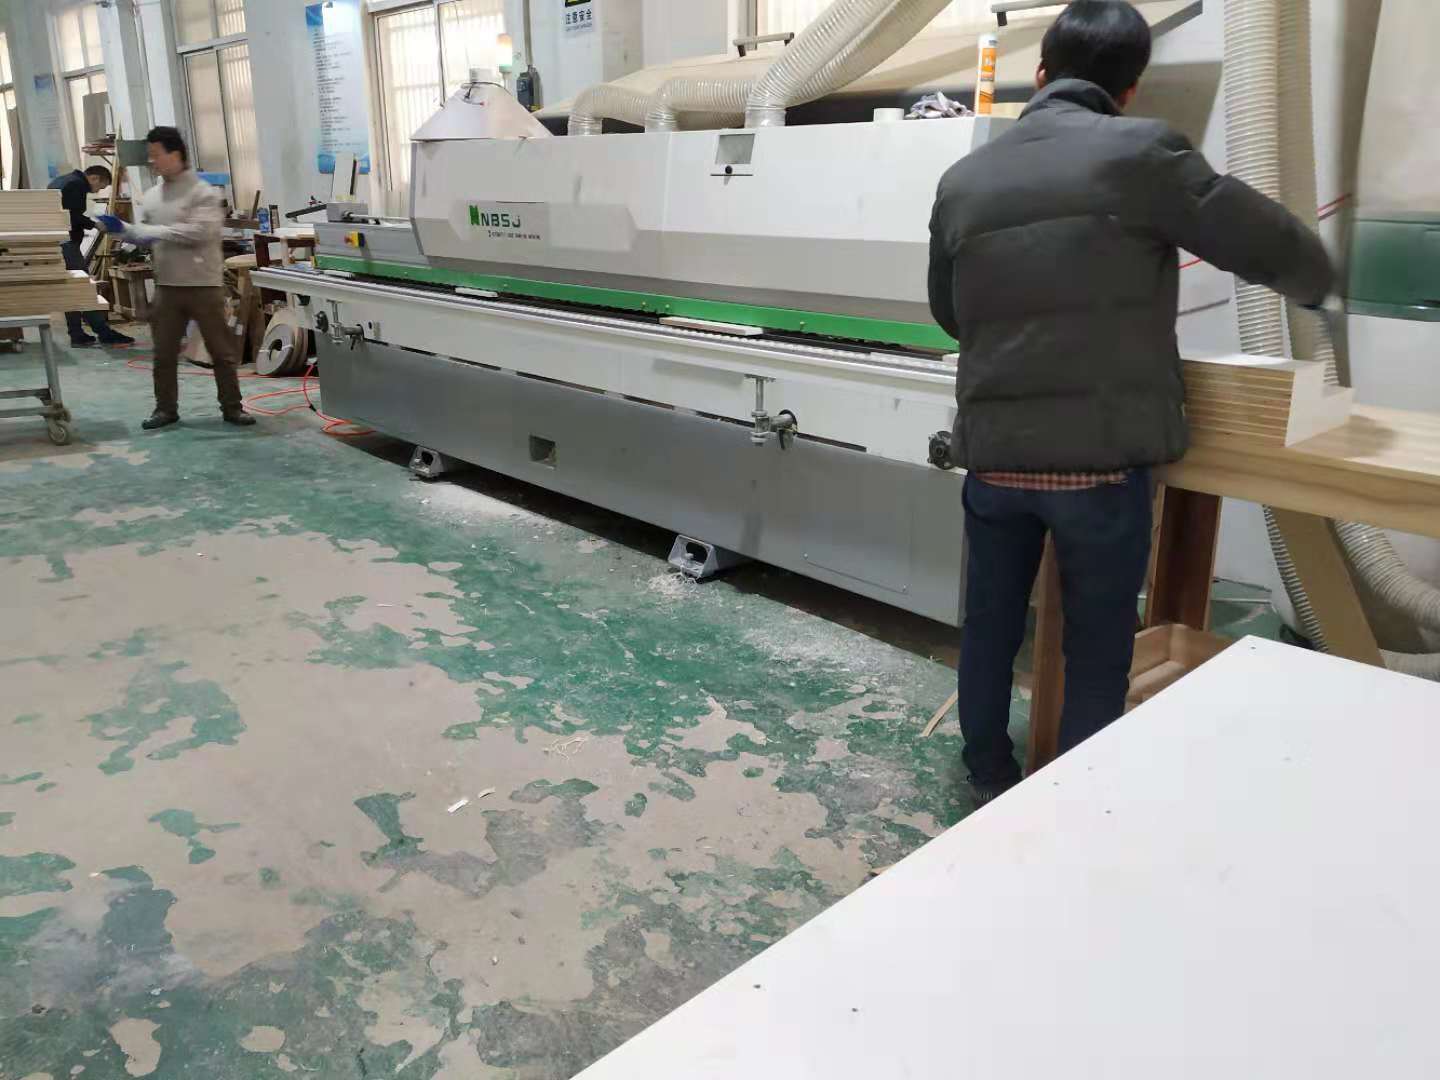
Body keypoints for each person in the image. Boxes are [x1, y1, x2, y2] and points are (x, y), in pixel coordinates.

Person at [927, 0, 1333, 802]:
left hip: (996, 458)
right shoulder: (1145, 153)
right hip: (1100, 466)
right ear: (1131, 88)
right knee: (1098, 643)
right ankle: (1075, 797)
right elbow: (1264, 241)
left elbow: (949, 311)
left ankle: (987, 771)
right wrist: (1322, 281)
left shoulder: (963, 179)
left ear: (1041, 73)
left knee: (991, 623)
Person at [96, 126, 254, 429]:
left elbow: (199, 232)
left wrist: (152, 231)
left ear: (176, 154)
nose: (152, 161)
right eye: (150, 155)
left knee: (221, 352)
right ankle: (165, 409)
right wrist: (121, 230)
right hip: (167, 287)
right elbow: (143, 235)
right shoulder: (153, 197)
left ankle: (232, 408)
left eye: (156, 155)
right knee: (163, 353)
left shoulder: (203, 193)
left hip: (204, 286)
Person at [46, 164, 135, 348]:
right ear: (94, 178)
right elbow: (71, 216)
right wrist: (95, 224)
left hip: (56, 242)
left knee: (71, 289)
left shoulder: (59, 181)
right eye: (100, 187)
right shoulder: (76, 184)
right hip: (66, 243)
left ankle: (77, 334)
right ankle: (103, 332)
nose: (97, 191)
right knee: (84, 288)